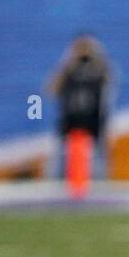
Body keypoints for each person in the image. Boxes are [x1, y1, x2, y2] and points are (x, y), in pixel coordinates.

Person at [48, 35, 114, 182]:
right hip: (69, 126)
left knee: (98, 170)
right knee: (59, 168)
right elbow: (50, 90)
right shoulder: (68, 71)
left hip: (93, 126)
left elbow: (109, 81)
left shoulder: (98, 70)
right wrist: (68, 62)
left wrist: (95, 57)